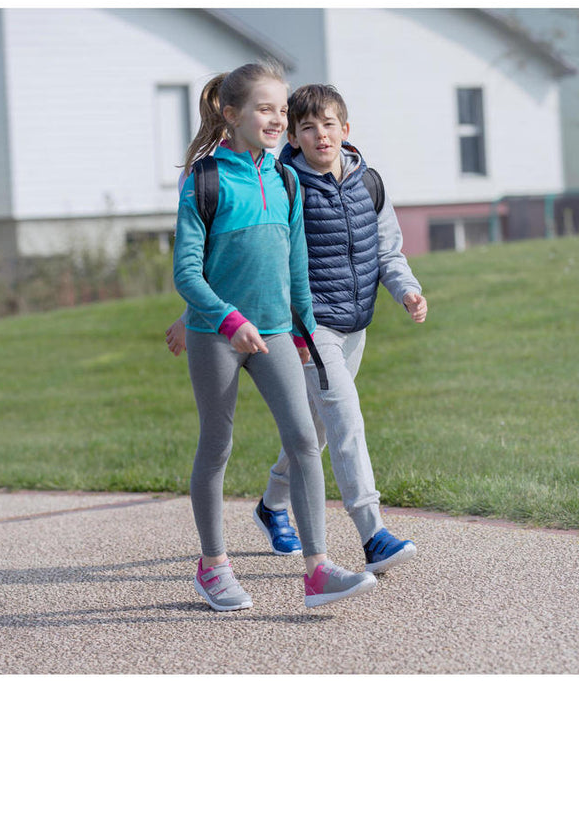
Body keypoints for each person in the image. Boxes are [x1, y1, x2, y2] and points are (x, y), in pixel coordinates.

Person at [168, 82, 428, 576]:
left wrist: (407, 290)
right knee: (344, 419)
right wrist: (192, 317)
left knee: (315, 431)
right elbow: (241, 259)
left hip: (353, 323)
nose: (319, 135)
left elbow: (387, 250)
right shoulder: (286, 183)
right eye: (306, 127)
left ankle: (272, 505)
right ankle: (372, 534)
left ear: (345, 129)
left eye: (328, 125)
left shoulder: (368, 183)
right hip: (308, 326)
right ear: (293, 136)